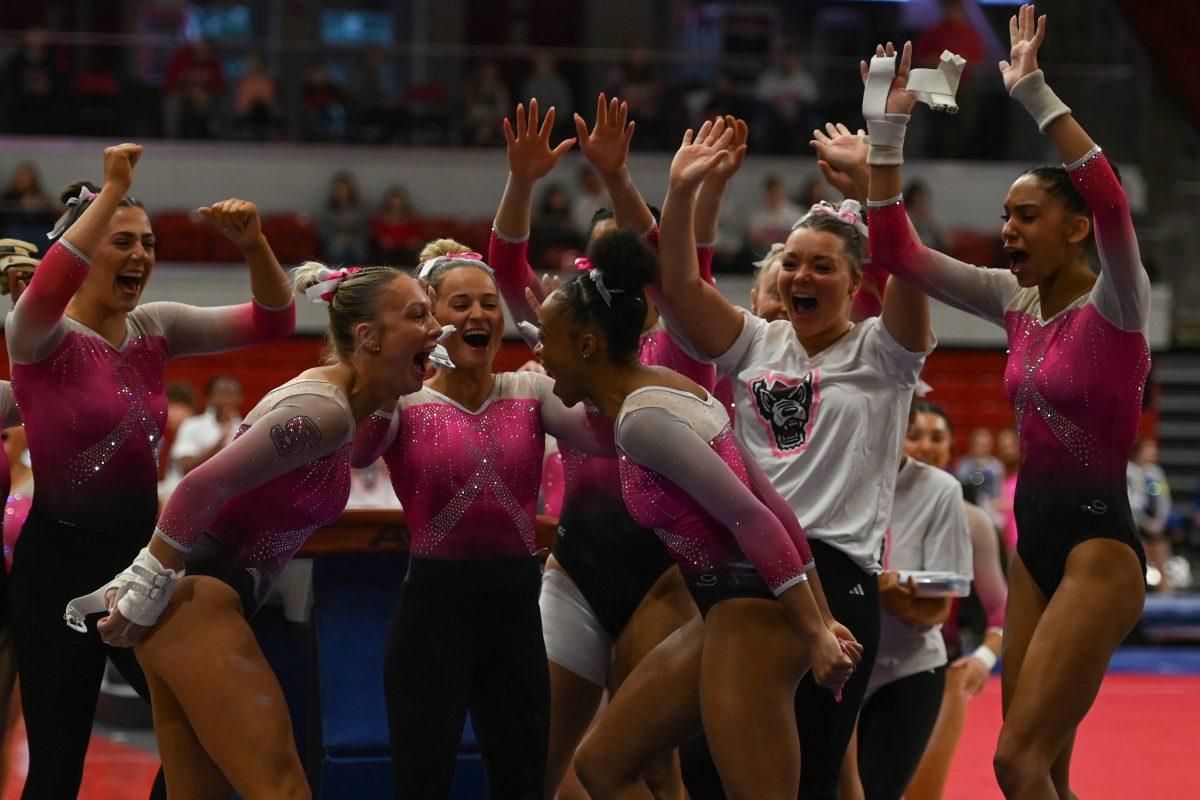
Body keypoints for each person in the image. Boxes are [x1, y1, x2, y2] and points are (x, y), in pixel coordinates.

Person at [862, 10, 1150, 795]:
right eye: (1004, 217)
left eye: (1027, 216)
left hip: (1100, 550)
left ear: (1076, 229)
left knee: (1014, 760)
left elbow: (1117, 202)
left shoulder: (1118, 304)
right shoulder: (1011, 301)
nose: (1008, 230)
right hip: (1037, 550)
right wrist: (885, 134)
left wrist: (1034, 93)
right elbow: (894, 253)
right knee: (1045, 765)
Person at [68, 263, 443, 799]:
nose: (436, 327)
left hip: (193, 604)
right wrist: (144, 586)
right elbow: (200, 485)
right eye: (418, 315)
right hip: (195, 598)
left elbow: (367, 445)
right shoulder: (323, 410)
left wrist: (400, 378)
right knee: (283, 791)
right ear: (368, 336)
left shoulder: (352, 403)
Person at [5, 143, 295, 799]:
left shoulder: (155, 327)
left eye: (148, 242)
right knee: (55, 765)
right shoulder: (37, 336)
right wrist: (110, 191)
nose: (140, 255)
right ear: (82, 251)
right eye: (122, 242)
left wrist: (254, 245)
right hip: (56, 568)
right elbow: (51, 280)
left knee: (197, 731)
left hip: (143, 561)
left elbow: (274, 321)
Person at [657, 115, 934, 800]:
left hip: (833, 577)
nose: (800, 276)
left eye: (822, 266)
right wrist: (681, 191)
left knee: (809, 780)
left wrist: (875, 183)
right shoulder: (756, 341)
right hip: (743, 573)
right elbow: (682, 291)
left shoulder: (883, 352)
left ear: (857, 280)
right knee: (707, 774)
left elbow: (910, 263)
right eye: (791, 263)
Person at [533, 225, 860, 800]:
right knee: (602, 765)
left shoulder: (644, 420)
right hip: (727, 610)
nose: (538, 352)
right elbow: (772, 502)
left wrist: (815, 630)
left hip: (753, 614)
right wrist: (819, 612)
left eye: (549, 340)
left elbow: (755, 518)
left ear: (587, 345)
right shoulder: (663, 390)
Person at [490, 98, 739, 797]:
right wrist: (522, 181)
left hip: (660, 574)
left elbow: (667, 260)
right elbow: (507, 269)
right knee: (534, 757)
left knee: (651, 767)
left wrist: (619, 178)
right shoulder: (572, 345)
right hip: (576, 566)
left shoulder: (688, 348)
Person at [351, 239, 611, 800]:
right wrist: (389, 368)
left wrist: (566, 345)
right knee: (421, 784)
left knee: (521, 784)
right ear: (432, 320)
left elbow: (603, 431)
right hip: (431, 618)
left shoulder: (531, 390)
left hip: (515, 617)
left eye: (489, 304)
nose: (478, 315)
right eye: (460, 304)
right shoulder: (405, 402)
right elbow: (354, 453)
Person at [839, 401, 972, 800]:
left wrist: (880, 589)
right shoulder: (833, 481)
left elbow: (938, 608)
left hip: (908, 665)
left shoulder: (942, 491)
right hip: (836, 663)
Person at [905, 402, 1007, 800]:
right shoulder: (865, 511)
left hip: (941, 669)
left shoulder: (972, 520)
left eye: (937, 438)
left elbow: (1002, 607)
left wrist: (985, 656)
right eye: (915, 436)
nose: (926, 446)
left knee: (923, 792)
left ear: (951, 449)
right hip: (870, 664)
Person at [160, 375, 245, 501]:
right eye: (222, 393)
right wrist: (218, 445)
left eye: (232, 393)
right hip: (184, 491)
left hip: (227, 493)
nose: (227, 399)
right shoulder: (191, 425)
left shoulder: (246, 429)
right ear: (209, 398)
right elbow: (185, 467)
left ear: (240, 398)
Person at [1127, 438, 1173, 593]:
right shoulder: (1129, 471)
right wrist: (1146, 523)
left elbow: (1164, 500)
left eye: (1154, 450)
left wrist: (1159, 522)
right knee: (1142, 545)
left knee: (1160, 543)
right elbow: (1131, 502)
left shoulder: (1156, 473)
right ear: (1138, 451)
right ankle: (1137, 587)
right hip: (1135, 521)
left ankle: (1165, 586)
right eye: (1149, 449)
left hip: (1153, 522)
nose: (1153, 453)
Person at [319, 172, 370, 265]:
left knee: (359, 250)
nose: (342, 192)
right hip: (336, 238)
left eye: (345, 189)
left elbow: (364, 227)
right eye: (339, 190)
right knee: (336, 250)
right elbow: (325, 229)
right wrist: (338, 237)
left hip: (355, 238)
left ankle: (359, 274)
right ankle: (338, 275)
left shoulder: (359, 208)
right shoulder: (329, 208)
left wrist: (351, 238)